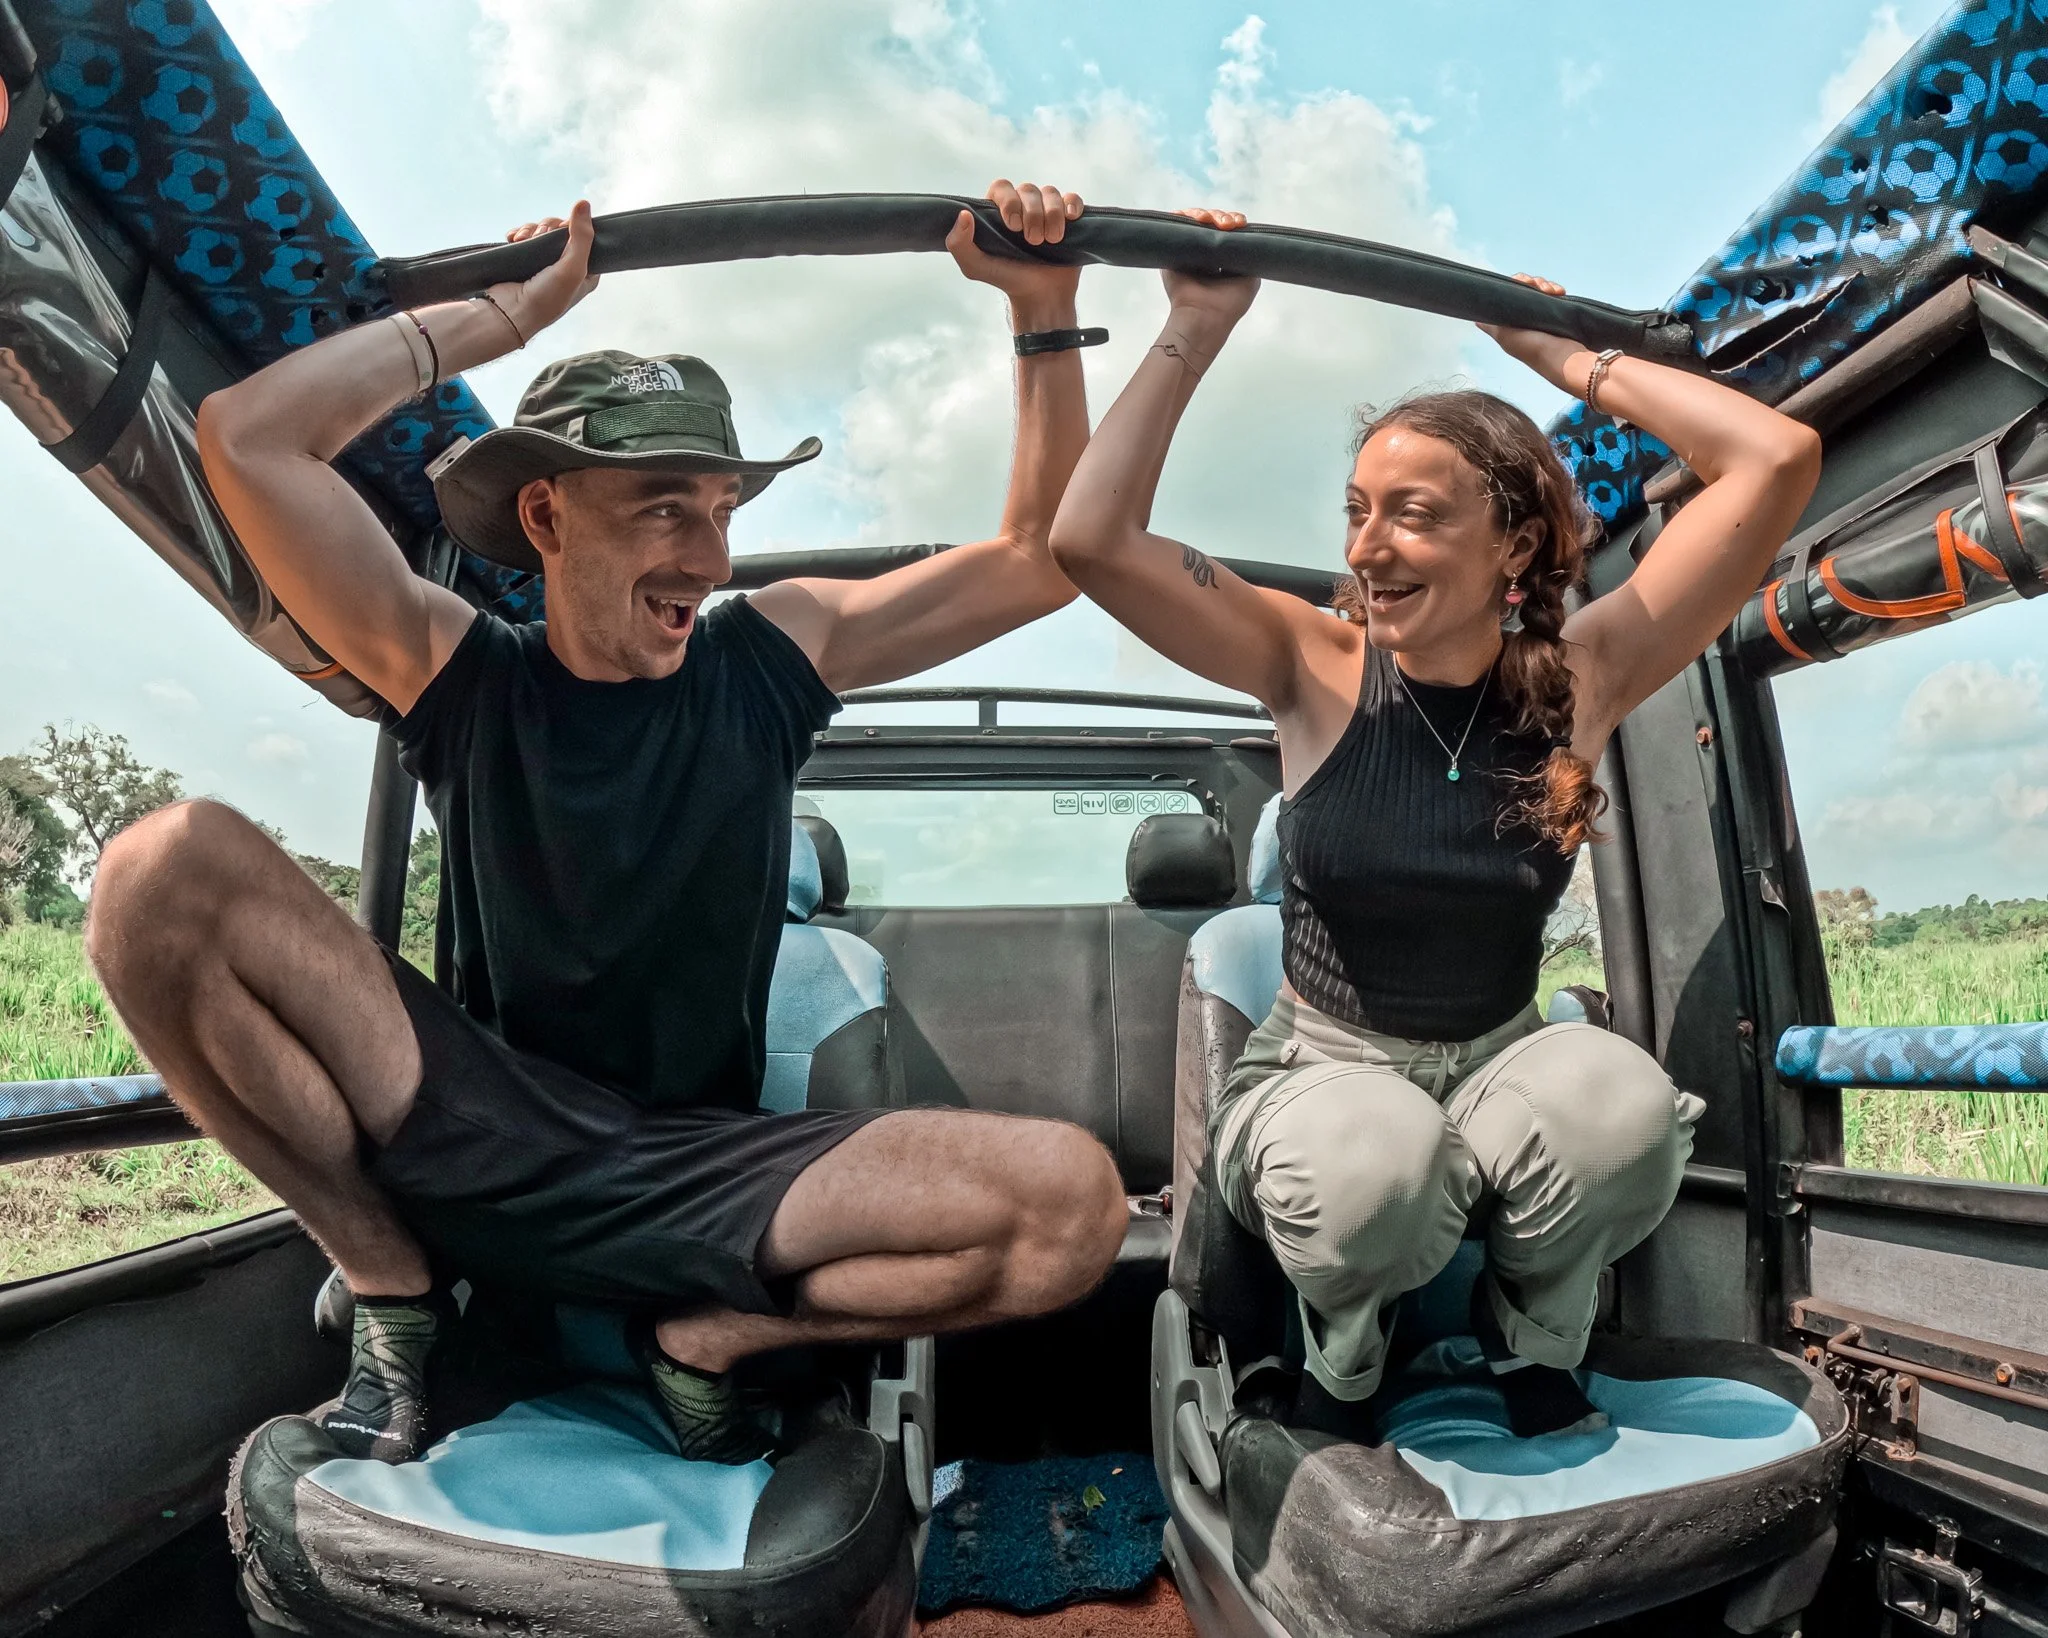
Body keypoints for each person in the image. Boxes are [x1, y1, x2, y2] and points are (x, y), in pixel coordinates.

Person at [84, 181, 1130, 1466]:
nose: (705, 554)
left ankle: (707, 1342)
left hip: (698, 1163)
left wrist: (1045, 306)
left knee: (1070, 1205)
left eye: (720, 508)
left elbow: (1039, 556)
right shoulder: (458, 667)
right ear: (545, 515)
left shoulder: (770, 655)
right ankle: (389, 1281)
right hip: (474, 1119)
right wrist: (501, 318)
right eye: (660, 507)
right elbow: (246, 438)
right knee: (161, 867)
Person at [1048, 220, 1821, 1440]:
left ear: (1511, 542)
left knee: (1618, 1108)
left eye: (1409, 515)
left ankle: (1536, 1342)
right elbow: (1089, 542)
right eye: (1357, 512)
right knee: (1374, 1163)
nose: (1365, 548)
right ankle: (1342, 1363)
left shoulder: (1585, 673)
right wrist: (1193, 328)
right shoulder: (1308, 661)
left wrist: (1560, 356)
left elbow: (1774, 459)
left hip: (1498, 1059)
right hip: (1324, 1078)